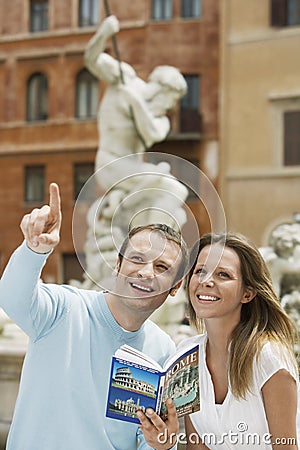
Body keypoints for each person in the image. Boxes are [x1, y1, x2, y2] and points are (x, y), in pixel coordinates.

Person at [0, 183, 189, 450]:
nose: (147, 273)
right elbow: (12, 298)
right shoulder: (64, 308)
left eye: (161, 267)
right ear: (118, 265)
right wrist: (35, 250)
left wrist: (161, 444)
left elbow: (143, 439)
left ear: (175, 287)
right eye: (137, 259)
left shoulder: (163, 348)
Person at [178, 232, 298, 449]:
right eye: (200, 271)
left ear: (248, 294)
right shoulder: (187, 355)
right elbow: (197, 446)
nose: (206, 281)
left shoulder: (268, 359)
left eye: (223, 274)